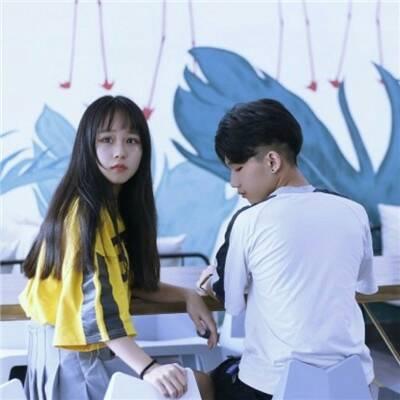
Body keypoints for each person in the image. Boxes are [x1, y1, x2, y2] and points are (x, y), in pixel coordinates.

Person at [19, 95, 217, 400]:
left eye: (131, 140)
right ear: (87, 146)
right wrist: (149, 368)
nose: (120, 152)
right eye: (107, 139)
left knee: (202, 384)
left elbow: (123, 284)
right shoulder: (85, 215)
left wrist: (187, 295)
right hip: (77, 366)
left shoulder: (108, 209)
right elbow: (96, 312)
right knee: (202, 387)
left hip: (87, 354)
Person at [197, 99, 378, 400]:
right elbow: (365, 284)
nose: (233, 182)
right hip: (353, 384)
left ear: (272, 161)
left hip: (275, 386)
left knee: (206, 381)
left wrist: (209, 281)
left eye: (238, 168)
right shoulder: (354, 211)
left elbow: (233, 302)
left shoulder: (249, 220)